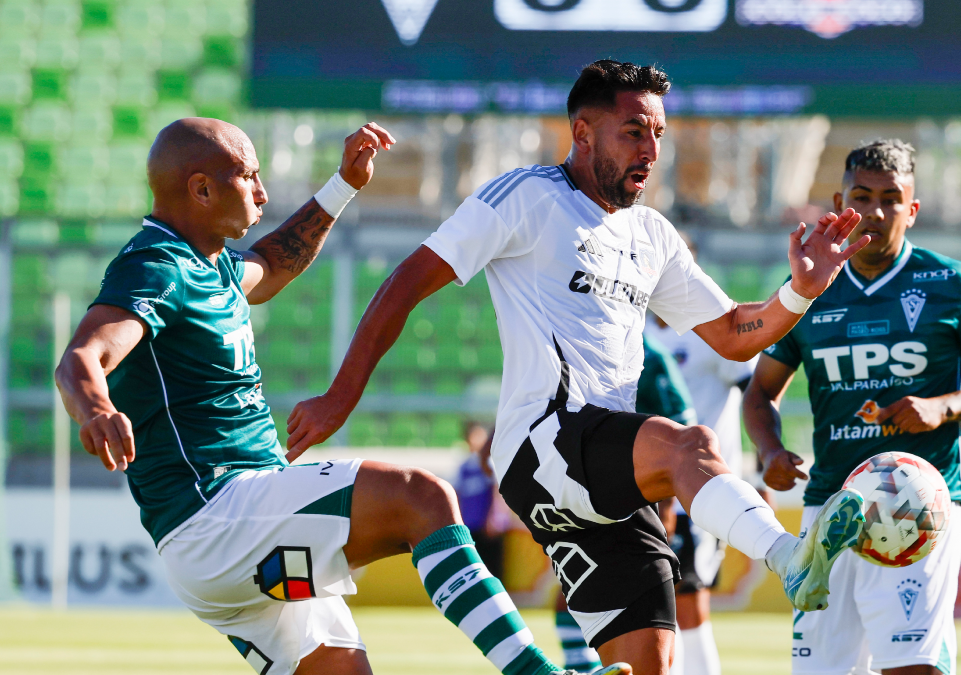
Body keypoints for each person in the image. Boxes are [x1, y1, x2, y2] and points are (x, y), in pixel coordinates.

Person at [284, 59, 873, 675]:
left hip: (604, 475)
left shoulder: (653, 234)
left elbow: (733, 335)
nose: (650, 149)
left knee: (651, 665)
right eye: (634, 131)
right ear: (583, 133)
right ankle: (789, 558)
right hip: (544, 444)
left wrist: (800, 292)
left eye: (659, 135)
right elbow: (407, 282)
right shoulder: (526, 196)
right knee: (688, 445)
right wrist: (339, 396)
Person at [54, 117, 625, 675]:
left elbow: (276, 261)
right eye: (247, 175)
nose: (262, 189)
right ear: (201, 188)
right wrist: (97, 407)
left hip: (236, 549)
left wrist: (343, 184)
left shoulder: (212, 267)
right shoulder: (155, 267)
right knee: (418, 498)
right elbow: (83, 356)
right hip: (219, 516)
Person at [743, 139, 961, 675]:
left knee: (912, 667)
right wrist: (770, 450)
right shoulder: (808, 287)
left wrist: (943, 407)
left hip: (917, 509)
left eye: (891, 198)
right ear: (839, 199)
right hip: (830, 508)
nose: (874, 211)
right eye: (862, 195)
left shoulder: (950, 283)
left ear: (912, 209)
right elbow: (760, 393)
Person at [645, 248, 759, 675]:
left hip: (701, 491)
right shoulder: (633, 330)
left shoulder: (711, 332)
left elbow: (760, 393)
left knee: (688, 599)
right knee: (652, 603)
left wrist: (761, 467)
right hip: (646, 487)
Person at [556, 334, 698, 674]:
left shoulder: (650, 354)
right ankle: (578, 663)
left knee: (664, 588)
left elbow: (681, 425)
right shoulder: (565, 339)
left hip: (637, 493)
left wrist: (664, 506)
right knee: (569, 582)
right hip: (574, 483)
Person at [454, 421, 506, 578]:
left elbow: (497, 491)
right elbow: (457, 494)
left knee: (492, 567)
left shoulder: (489, 464)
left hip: (488, 526)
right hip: (470, 525)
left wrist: (494, 518)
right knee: (473, 568)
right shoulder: (464, 467)